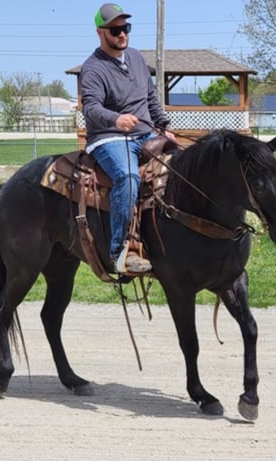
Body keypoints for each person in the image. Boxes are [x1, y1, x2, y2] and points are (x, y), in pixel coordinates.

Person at [80, 3, 175, 274]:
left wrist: (164, 125)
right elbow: (91, 108)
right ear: (100, 32)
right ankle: (119, 250)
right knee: (128, 177)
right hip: (109, 137)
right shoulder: (93, 68)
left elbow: (150, 99)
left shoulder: (135, 58)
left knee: (182, 166)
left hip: (145, 132)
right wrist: (116, 119)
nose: (122, 34)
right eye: (115, 30)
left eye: (126, 28)